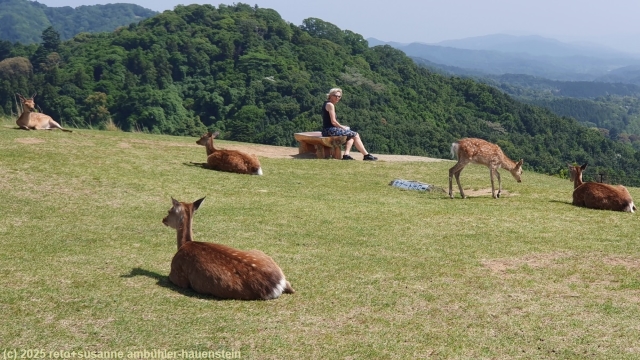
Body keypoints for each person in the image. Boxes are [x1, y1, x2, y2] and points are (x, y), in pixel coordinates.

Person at [321, 88, 378, 161]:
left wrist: (343, 127)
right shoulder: (330, 105)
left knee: (351, 136)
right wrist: (342, 127)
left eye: (339, 96)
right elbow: (333, 122)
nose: (337, 98)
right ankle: (366, 155)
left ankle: (346, 155)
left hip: (328, 129)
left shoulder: (327, 103)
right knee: (355, 134)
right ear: (330, 95)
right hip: (329, 130)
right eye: (335, 96)